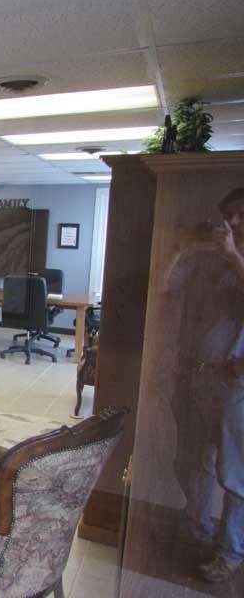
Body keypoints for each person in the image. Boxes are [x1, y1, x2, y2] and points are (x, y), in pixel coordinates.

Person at [167, 188, 244, 583]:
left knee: (234, 473)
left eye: (241, 217)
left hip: (233, 382)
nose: (232, 224)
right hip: (193, 374)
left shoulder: (236, 261)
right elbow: (168, 288)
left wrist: (234, 256)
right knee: (191, 461)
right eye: (228, 217)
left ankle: (230, 551)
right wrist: (184, 246)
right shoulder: (208, 260)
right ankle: (197, 531)